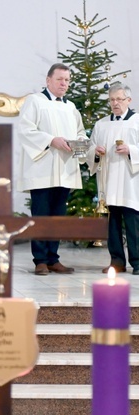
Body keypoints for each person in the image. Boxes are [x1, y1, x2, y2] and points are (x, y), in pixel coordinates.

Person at [17, 63, 87, 276]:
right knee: (41, 216)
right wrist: (50, 140)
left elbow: (80, 132)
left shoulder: (70, 107)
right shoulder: (35, 101)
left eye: (67, 80)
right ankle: (40, 260)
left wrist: (81, 142)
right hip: (42, 169)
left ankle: (53, 259)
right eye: (59, 79)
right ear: (48, 80)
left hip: (64, 170)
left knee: (58, 216)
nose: (64, 84)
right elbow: (25, 130)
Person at [87, 82, 139, 274]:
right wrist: (96, 151)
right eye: (112, 100)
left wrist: (131, 150)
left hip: (131, 181)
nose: (115, 103)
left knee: (134, 223)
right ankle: (117, 262)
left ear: (129, 100)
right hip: (109, 180)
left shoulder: (137, 121)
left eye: (119, 99)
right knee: (113, 223)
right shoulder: (101, 124)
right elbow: (91, 148)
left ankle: (138, 262)